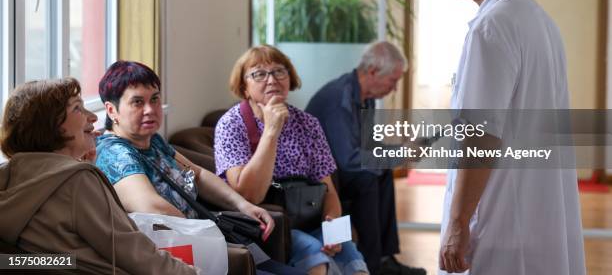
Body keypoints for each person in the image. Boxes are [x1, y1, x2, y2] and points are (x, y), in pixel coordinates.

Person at [438, 0, 585, 274]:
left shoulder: (491, 28)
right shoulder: (540, 21)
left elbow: (480, 137)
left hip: (502, 222)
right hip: (535, 215)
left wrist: (457, 225)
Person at [94, 60, 294, 274]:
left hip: (203, 242)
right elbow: (152, 207)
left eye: (154, 99)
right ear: (112, 110)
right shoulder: (115, 153)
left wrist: (243, 205)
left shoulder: (153, 141)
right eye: (137, 102)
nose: (150, 110)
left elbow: (197, 174)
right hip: (180, 255)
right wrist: (208, 235)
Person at [0, 78, 197, 274]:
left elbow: (17, 261)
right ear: (49, 124)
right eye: (78, 108)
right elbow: (137, 255)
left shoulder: (11, 176)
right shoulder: (77, 181)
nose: (93, 117)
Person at [214, 45, 369, 275]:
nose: (271, 79)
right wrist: (271, 131)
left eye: (279, 71)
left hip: (311, 218)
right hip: (267, 225)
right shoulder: (231, 124)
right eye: (259, 73)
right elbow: (248, 195)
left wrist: (332, 227)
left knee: (352, 257)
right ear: (244, 87)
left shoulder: (307, 123)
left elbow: (328, 190)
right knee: (313, 252)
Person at [306, 41, 425, 275]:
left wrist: (399, 150)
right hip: (322, 176)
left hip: (340, 169)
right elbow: (349, 158)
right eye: (393, 81)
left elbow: (367, 147)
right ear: (372, 72)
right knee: (367, 178)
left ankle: (383, 257)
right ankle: (372, 265)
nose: (394, 89)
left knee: (381, 173)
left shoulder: (364, 97)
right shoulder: (339, 98)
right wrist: (400, 154)